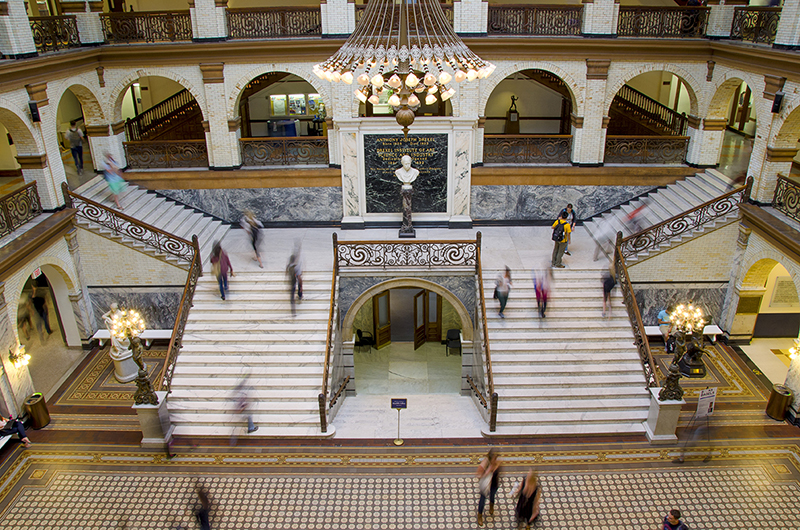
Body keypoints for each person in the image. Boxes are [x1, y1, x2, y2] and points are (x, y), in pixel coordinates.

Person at [475, 449, 501, 526]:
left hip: (494, 483)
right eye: (494, 459)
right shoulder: (485, 464)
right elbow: (478, 475)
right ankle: (480, 515)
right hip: (486, 485)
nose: (495, 460)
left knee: (492, 496)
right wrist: (488, 471)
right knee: (482, 500)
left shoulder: (497, 463)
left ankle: (491, 506)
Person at [286, 252, 303, 317]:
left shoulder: (289, 266)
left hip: (291, 282)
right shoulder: (297, 266)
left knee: (292, 297)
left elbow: (286, 274)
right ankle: (300, 296)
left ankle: (293, 312)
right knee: (299, 285)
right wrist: (301, 287)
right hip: (295, 280)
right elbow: (299, 278)